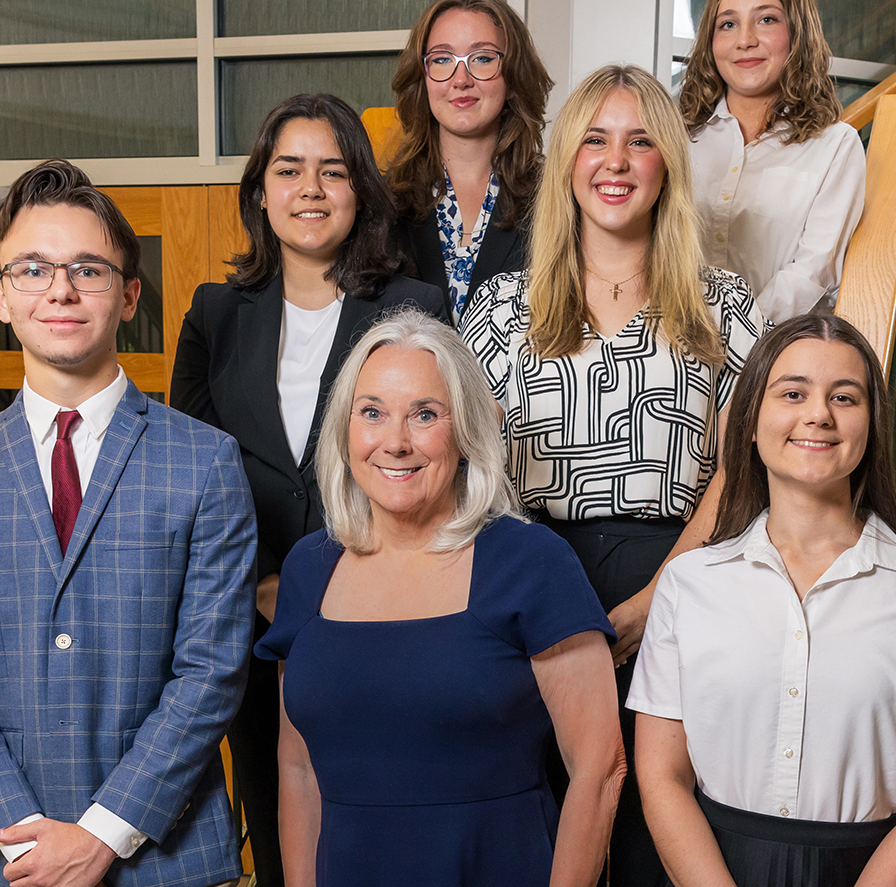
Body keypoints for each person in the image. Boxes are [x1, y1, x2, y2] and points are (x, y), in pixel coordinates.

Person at [0, 160, 256, 887]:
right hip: (13, 860)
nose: (61, 289)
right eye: (33, 269)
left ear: (129, 294)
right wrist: (29, 842)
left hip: (166, 855)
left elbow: (212, 671)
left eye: (88, 270)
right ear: (0, 296)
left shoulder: (205, 462)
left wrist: (101, 834)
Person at [460, 64, 762, 887]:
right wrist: (542, 606)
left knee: (648, 835)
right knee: (538, 824)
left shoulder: (724, 306)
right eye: (594, 139)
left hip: (681, 585)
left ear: (668, 163)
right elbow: (468, 468)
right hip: (525, 589)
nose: (616, 160)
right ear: (567, 164)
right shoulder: (499, 306)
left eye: (639, 141)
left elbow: (743, 474)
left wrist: (653, 603)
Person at [171, 93, 448, 885]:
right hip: (254, 632)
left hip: (381, 617)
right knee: (278, 828)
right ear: (262, 190)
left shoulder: (412, 307)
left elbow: (428, 460)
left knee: (382, 836)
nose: (311, 188)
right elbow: (193, 471)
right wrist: (257, 586)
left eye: (333, 170)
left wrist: (331, 584)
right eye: (289, 170)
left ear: (360, 189)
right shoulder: (216, 314)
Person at [629, 315, 896, 886]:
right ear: (750, 422)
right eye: (793, 393)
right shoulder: (689, 585)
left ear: (872, 425)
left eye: (844, 398)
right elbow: (661, 778)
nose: (818, 414)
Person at [259, 310, 624, 887]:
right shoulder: (309, 567)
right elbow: (297, 767)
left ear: (466, 432)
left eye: (425, 415)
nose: (395, 442)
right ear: (345, 429)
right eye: (372, 412)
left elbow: (600, 769)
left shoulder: (531, 561)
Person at [678, 0, 867, 326]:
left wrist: (739, 336)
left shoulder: (835, 147)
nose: (745, 40)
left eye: (766, 20)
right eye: (728, 24)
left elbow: (815, 269)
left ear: (798, 32)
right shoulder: (676, 137)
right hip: (674, 347)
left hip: (773, 354)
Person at [386, 0, 555, 319]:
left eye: (482, 58)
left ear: (513, 75)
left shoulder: (555, 198)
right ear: (422, 77)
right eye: (442, 60)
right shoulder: (382, 202)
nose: (460, 79)